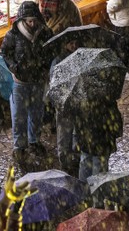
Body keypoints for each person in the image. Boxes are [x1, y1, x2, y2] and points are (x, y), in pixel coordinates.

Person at [0, 1, 54, 161]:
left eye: (33, 20)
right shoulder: (13, 35)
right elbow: (4, 53)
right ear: (22, 20)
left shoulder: (45, 33)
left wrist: (44, 68)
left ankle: (34, 141)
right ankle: (19, 146)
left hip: (37, 81)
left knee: (36, 113)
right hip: (19, 82)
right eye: (28, 20)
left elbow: (51, 51)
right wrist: (14, 68)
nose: (32, 23)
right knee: (18, 116)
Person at [73, 71, 124, 181]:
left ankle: (84, 192)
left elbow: (77, 117)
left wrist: (77, 135)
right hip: (102, 140)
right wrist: (116, 133)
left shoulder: (81, 92)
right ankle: (96, 194)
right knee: (99, 172)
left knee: (85, 164)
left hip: (86, 138)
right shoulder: (107, 94)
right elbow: (114, 118)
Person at [51, 37, 81, 176]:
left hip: (76, 102)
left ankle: (74, 159)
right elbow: (55, 85)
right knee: (64, 135)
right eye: (71, 43)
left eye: (75, 43)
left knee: (76, 131)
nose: (74, 45)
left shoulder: (79, 57)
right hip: (64, 104)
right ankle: (65, 162)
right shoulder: (58, 61)